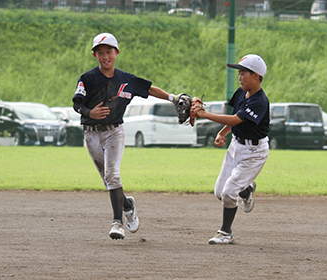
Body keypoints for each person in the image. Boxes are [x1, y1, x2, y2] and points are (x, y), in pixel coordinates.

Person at [72, 33, 179, 240]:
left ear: (116, 53)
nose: (105, 57)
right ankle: (128, 205)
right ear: (95, 55)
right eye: (100, 53)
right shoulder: (88, 78)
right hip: (91, 134)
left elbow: (149, 89)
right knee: (108, 181)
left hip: (114, 132)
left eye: (109, 52)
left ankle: (117, 223)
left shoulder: (126, 79)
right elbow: (77, 104)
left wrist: (173, 98)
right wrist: (89, 112)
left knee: (113, 175)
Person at [193, 54, 270, 244]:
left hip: (254, 153)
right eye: (239, 73)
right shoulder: (240, 93)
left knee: (229, 193)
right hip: (236, 145)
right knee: (220, 192)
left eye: (243, 73)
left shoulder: (260, 101)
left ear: (256, 76)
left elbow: (236, 120)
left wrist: (204, 114)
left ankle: (225, 232)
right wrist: (223, 132)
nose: (239, 76)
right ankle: (246, 190)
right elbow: (236, 117)